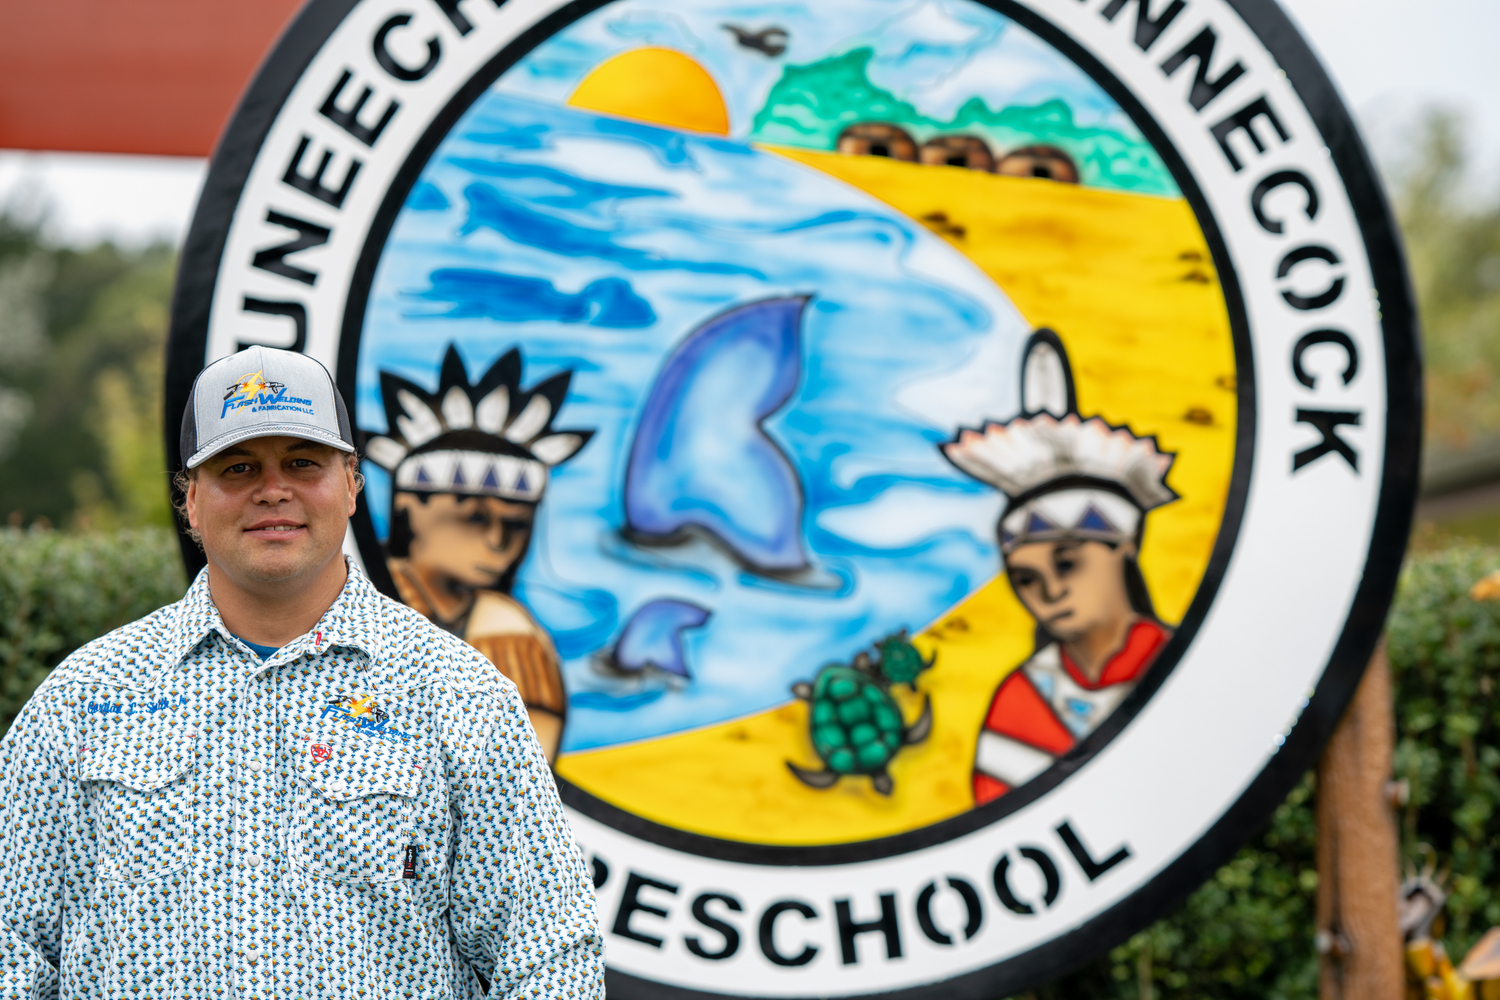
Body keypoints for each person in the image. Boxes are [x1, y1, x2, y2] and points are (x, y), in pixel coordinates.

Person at [0, 345, 603, 998]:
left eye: (301, 462)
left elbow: (549, 951)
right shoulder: (80, 703)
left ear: (351, 484)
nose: (273, 488)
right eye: (238, 466)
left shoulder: (461, 699)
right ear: (192, 501)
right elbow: (12, 942)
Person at [942, 330, 1178, 806]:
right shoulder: (1019, 701)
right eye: (1026, 579)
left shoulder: (1186, 667)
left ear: (1124, 546)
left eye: (1068, 563)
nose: (1049, 592)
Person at [361, 344, 593, 761]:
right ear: (407, 509)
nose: (498, 540)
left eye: (517, 524)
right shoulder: (339, 604)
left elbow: (523, 793)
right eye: (473, 518)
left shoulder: (507, 635)